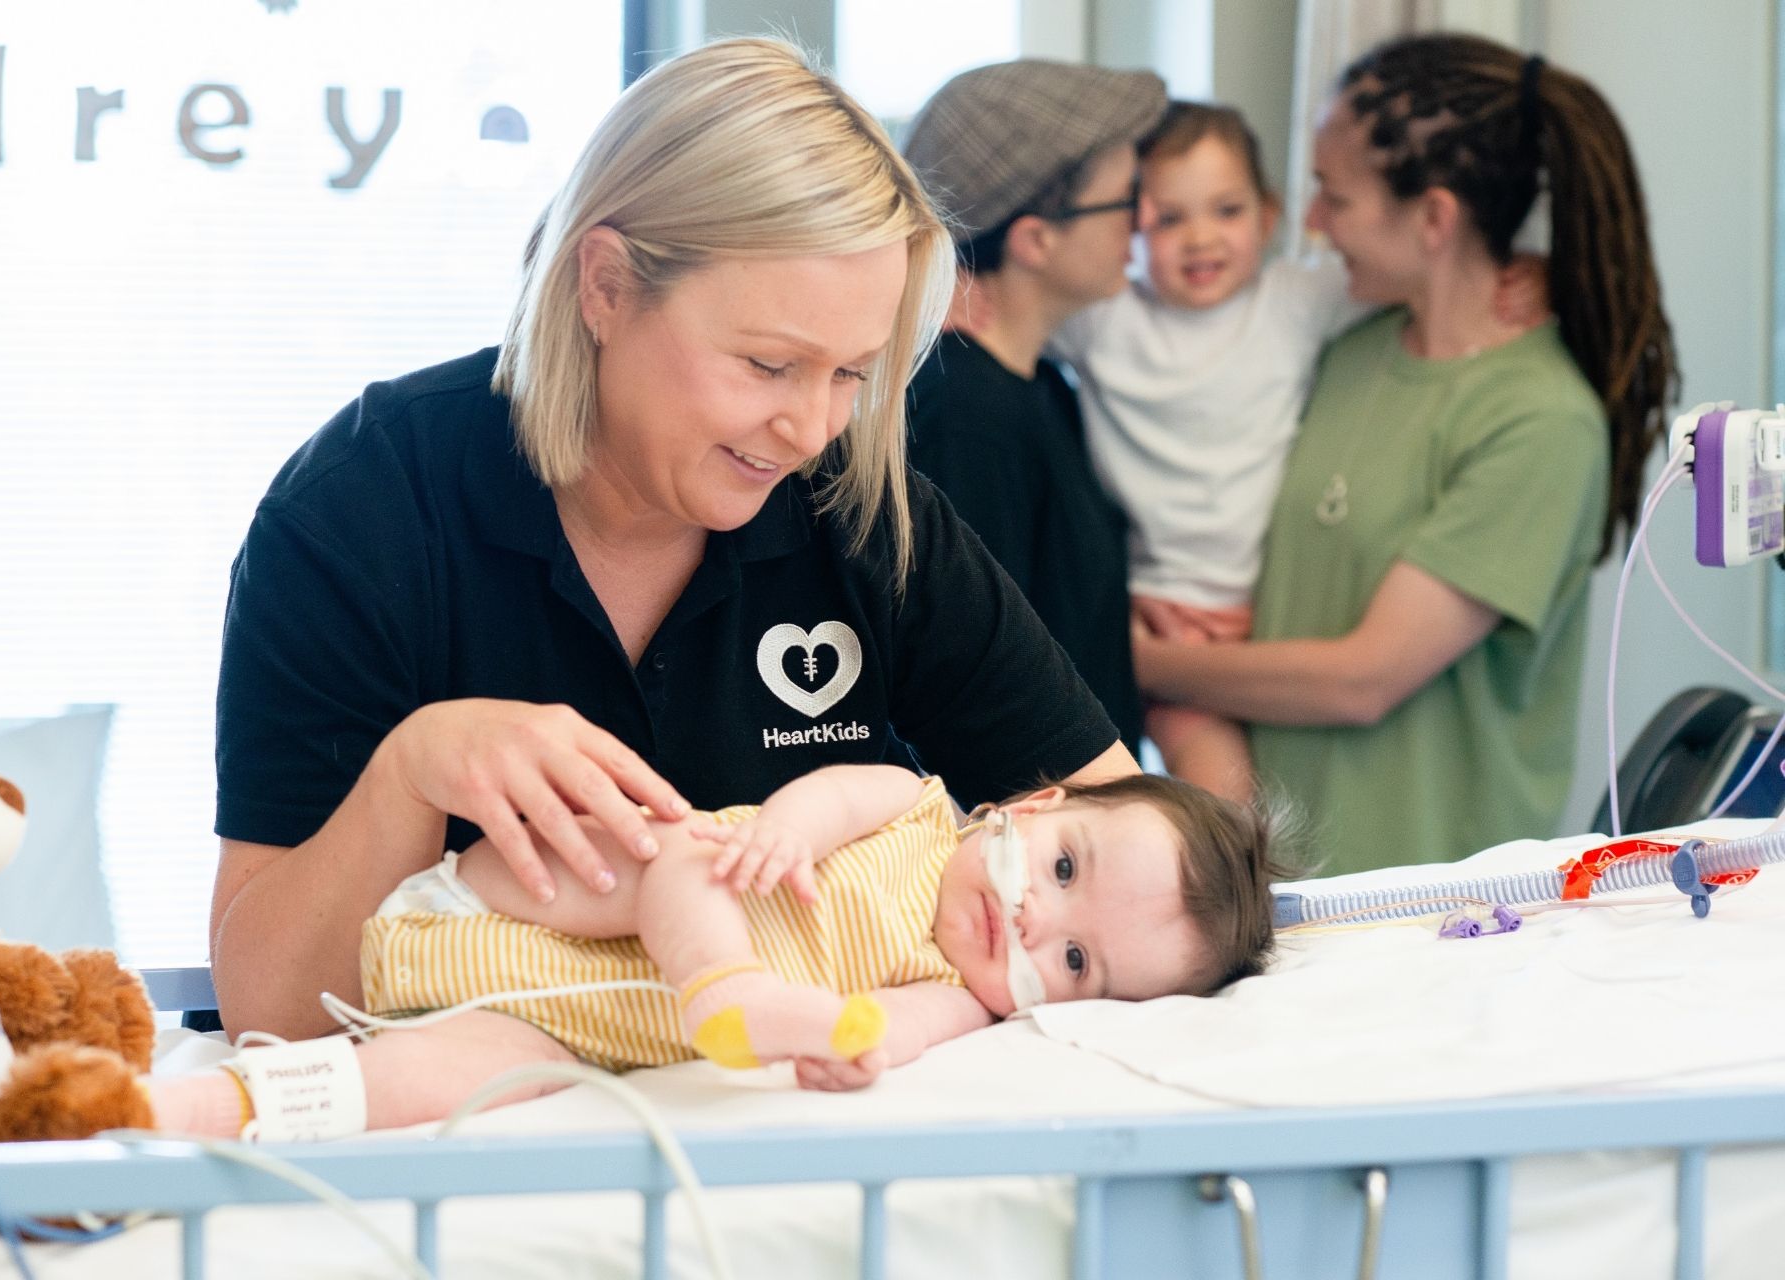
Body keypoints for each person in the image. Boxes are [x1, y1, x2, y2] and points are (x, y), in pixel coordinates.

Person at [210, 39, 1145, 1042]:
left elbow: (1144, 859)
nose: (813, 430)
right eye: (768, 363)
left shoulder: (860, 512)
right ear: (606, 285)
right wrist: (415, 769)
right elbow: (267, 1005)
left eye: (853, 374)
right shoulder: (363, 514)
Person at [1129, 34, 1676, 874]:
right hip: (1286, 895)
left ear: (1433, 218)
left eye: (1333, 196)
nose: (1310, 222)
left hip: (1432, 917)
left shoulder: (1538, 420)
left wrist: (1133, 660)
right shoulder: (1351, 352)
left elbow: (1363, 679)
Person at [151, 764, 1286, 1136]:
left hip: (546, 1020)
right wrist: (788, 826)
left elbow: (883, 1034)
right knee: (678, 852)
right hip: (532, 900)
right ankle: (724, 986)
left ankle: (190, 1110)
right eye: (1066, 870)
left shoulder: (962, 998)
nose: (1036, 921)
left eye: (1077, 962)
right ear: (1032, 807)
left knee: (451, 1082)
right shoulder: (912, 806)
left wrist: (847, 1048)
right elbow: (815, 801)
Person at [1050, 103, 1369, 802]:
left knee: (1309, 800)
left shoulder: (1295, 297)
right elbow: (1018, 305)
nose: (1200, 239)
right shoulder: (1106, 319)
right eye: (1168, 219)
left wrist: (1518, 269)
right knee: (1228, 816)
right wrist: (957, 293)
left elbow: (1412, 278)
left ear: (1268, 215)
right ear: (1130, 229)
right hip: (1166, 616)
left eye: (1225, 210)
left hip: (1282, 613)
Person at [899, 62, 1167, 756]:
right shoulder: (966, 414)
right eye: (1126, 198)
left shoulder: (1043, 386)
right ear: (1034, 239)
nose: (1144, 221)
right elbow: (972, 674)